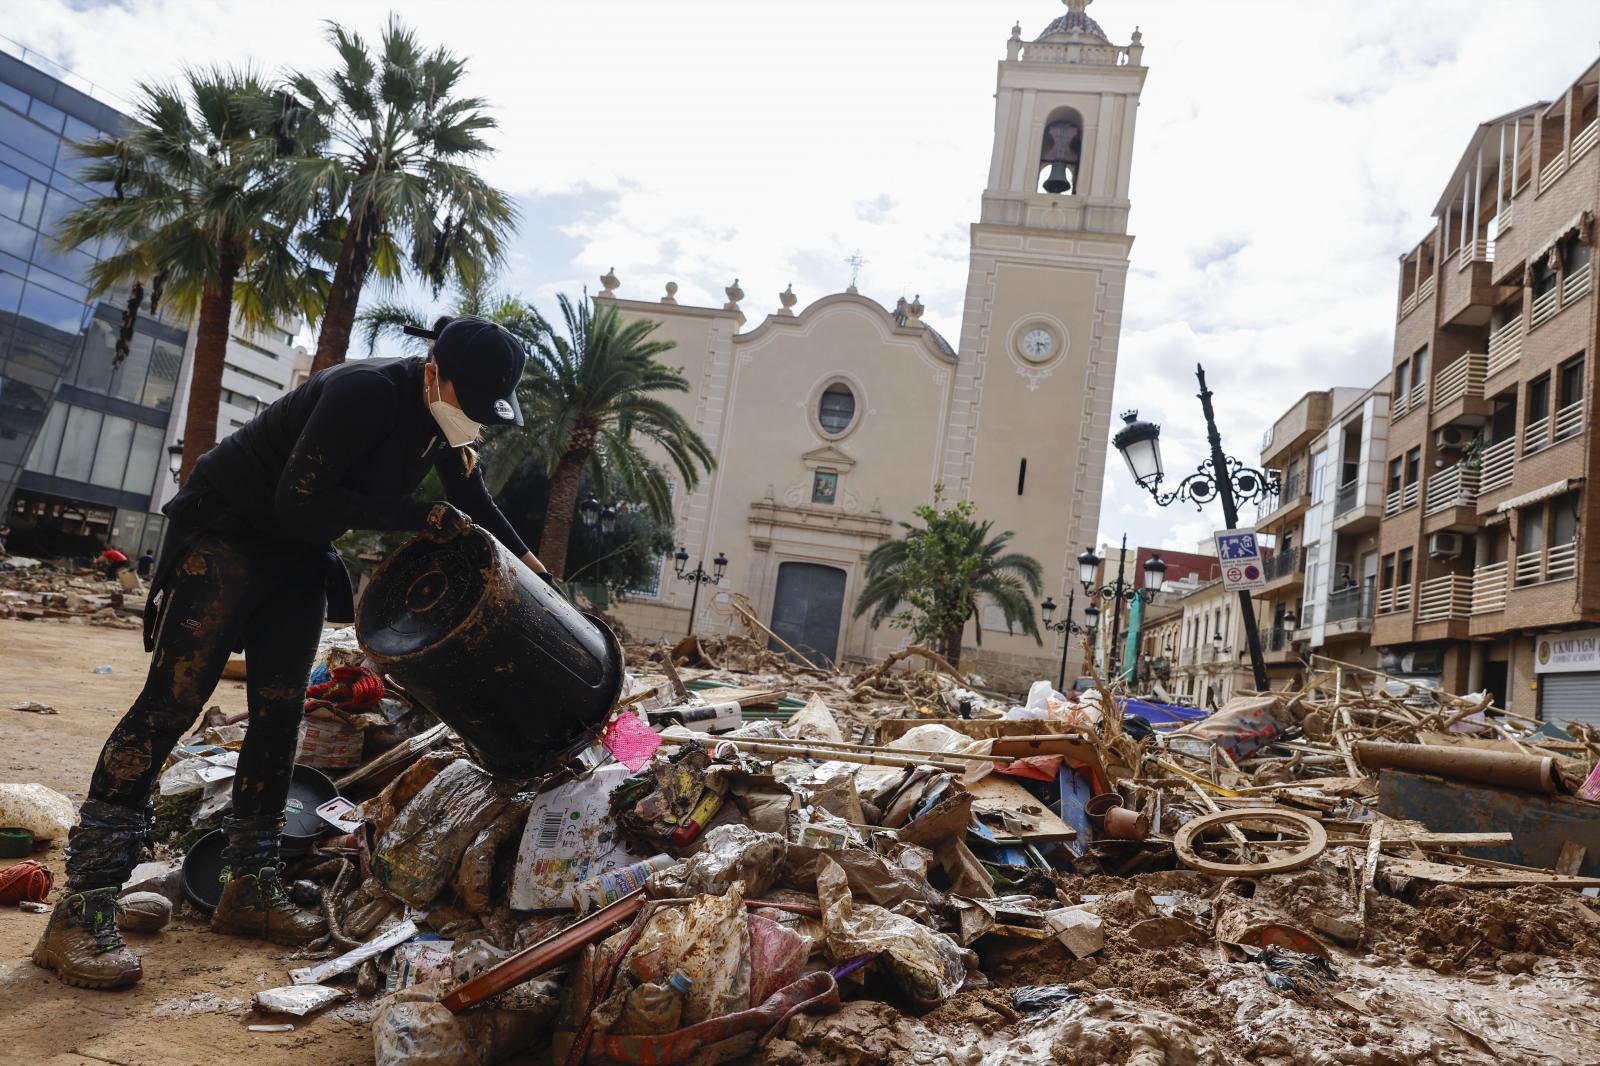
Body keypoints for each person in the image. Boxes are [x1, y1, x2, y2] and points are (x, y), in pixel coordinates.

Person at [33, 315, 545, 990]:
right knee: (171, 705)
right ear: (434, 373)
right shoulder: (363, 391)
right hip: (229, 532)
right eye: (468, 402)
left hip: (299, 552)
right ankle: (82, 908)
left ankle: (249, 889)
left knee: (280, 717)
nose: (471, 420)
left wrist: (536, 575)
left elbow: (471, 500)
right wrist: (413, 516)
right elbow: (299, 500)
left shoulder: (441, 420)